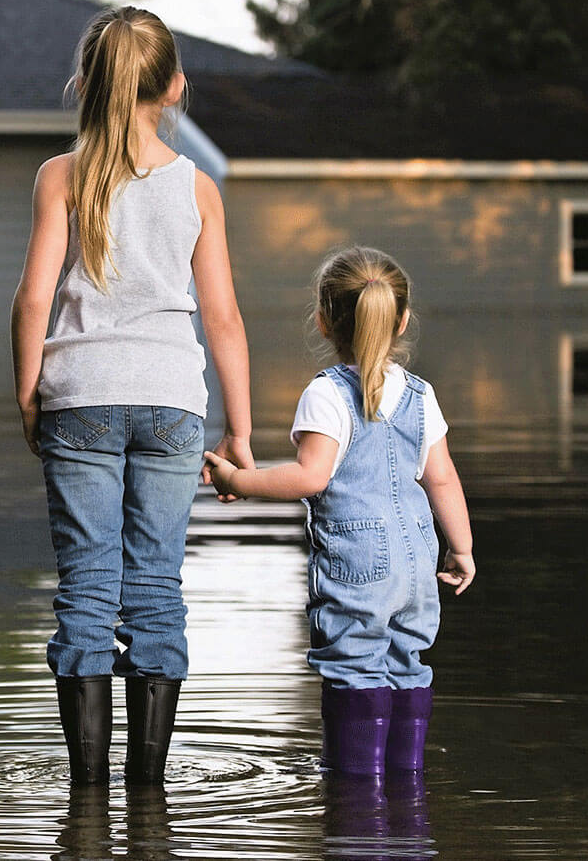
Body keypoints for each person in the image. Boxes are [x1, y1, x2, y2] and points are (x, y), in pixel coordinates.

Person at [10, 6, 253, 786]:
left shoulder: (63, 175)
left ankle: (86, 796)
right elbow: (222, 318)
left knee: (87, 586)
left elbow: (32, 298)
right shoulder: (198, 188)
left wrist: (28, 395)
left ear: (83, 85)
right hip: (173, 401)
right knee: (154, 585)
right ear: (175, 88)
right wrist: (241, 433)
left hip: (77, 394)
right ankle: (148, 796)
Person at [204, 246, 475, 777]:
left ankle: (356, 804)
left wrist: (240, 479)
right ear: (401, 321)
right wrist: (461, 547)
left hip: (360, 560)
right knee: (407, 662)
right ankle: (406, 793)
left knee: (356, 666)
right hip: (418, 559)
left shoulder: (326, 394)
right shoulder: (420, 395)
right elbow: (441, 475)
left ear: (324, 320)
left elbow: (312, 476)